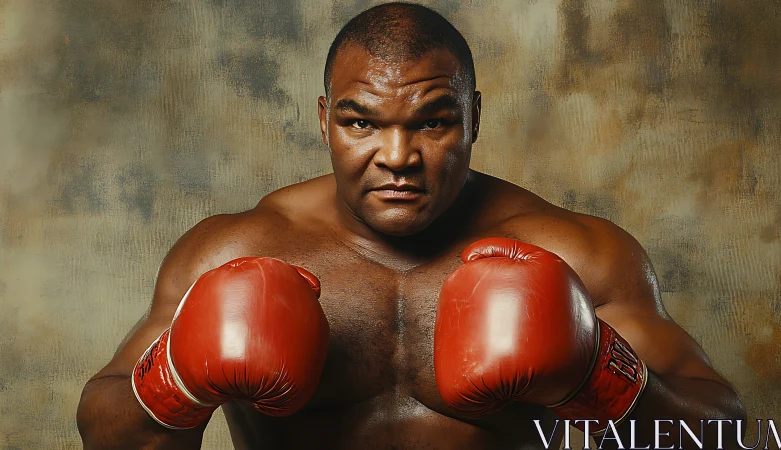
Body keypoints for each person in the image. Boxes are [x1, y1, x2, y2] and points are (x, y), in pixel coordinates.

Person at [76, 3, 745, 449]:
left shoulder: (577, 253)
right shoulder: (234, 248)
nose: (398, 159)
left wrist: (600, 371)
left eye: (432, 121)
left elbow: (724, 432)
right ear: (323, 121)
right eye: (361, 121)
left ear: (473, 117)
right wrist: (178, 377)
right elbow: (111, 433)